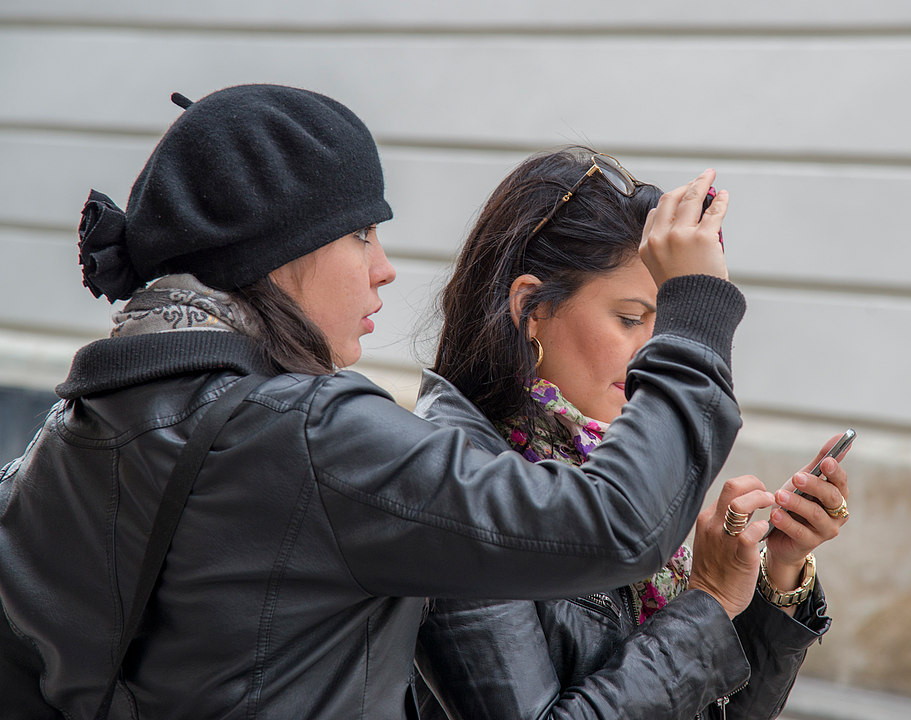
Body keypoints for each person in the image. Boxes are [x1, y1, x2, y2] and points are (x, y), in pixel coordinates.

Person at [0, 87, 748, 719]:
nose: (385, 270)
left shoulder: (64, 437)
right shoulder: (310, 432)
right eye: (360, 233)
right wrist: (697, 310)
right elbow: (617, 524)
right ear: (281, 251)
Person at [413, 148, 850, 719]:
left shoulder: (601, 457)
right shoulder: (460, 481)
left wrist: (777, 575)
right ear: (530, 310)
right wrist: (708, 602)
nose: (651, 352)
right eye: (628, 319)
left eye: (662, 323)